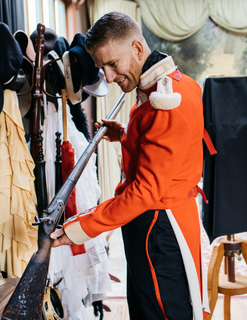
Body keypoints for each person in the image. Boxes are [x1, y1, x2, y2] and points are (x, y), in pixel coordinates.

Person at [51, 11, 207, 320]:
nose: (108, 77)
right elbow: (167, 151)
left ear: (137, 49)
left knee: (161, 313)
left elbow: (145, 191)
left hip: (159, 228)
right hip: (157, 221)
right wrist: (124, 135)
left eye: (112, 64)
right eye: (101, 68)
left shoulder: (167, 102)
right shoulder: (175, 84)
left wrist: (80, 228)